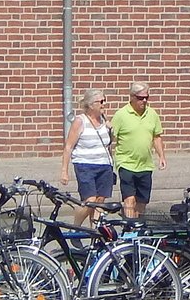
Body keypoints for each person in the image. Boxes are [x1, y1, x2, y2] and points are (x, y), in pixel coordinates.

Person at [59, 89, 114, 227]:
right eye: (101, 101)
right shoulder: (80, 121)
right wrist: (64, 171)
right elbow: (68, 147)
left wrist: (111, 131)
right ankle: (75, 227)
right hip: (85, 165)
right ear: (90, 105)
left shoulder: (105, 120)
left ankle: (95, 233)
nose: (104, 104)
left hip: (104, 165)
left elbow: (110, 143)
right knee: (90, 200)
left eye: (104, 100)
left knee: (100, 201)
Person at [111, 81, 167, 218]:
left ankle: (139, 228)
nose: (144, 101)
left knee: (142, 202)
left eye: (146, 98)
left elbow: (156, 137)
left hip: (145, 165)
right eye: (140, 98)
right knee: (129, 200)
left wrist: (161, 156)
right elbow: (111, 138)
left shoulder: (152, 114)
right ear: (132, 97)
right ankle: (130, 228)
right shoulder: (121, 115)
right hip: (126, 163)